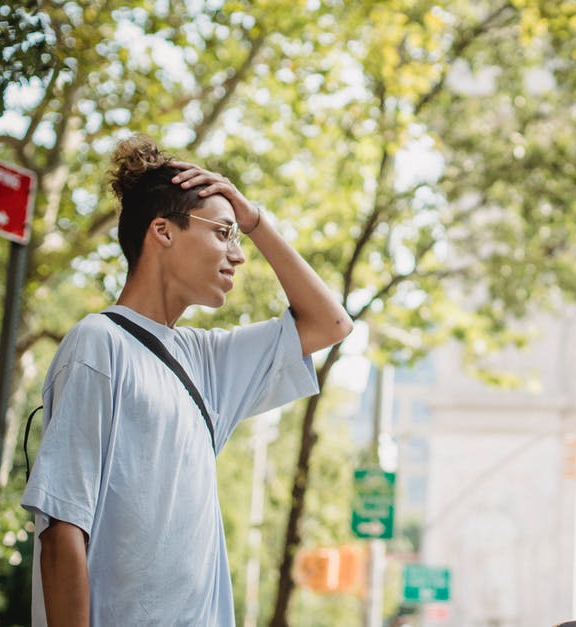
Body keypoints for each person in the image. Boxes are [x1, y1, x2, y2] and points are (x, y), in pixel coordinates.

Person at [21, 134, 352, 626]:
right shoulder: (99, 345)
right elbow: (62, 527)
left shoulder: (205, 360)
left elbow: (331, 324)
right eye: (222, 232)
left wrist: (253, 219)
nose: (237, 254)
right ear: (163, 231)